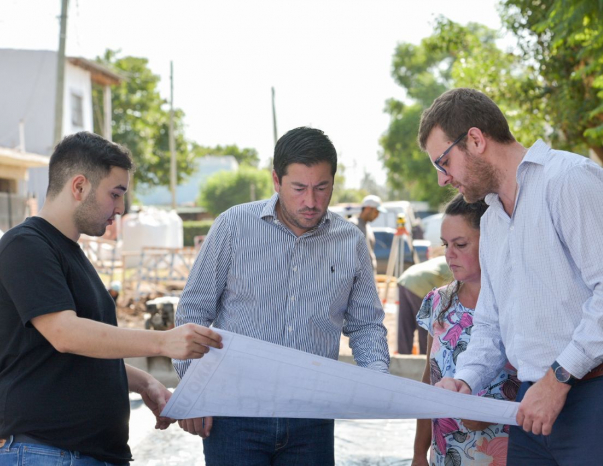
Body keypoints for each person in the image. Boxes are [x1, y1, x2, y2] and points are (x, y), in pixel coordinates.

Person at [418, 88, 603, 464]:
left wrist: (557, 379)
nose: (442, 179)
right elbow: (490, 324)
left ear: (475, 139)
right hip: (534, 402)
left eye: (444, 162)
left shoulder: (571, 180)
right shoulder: (492, 222)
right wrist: (465, 380)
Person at [0, 132, 223, 464]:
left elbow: (77, 354)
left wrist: (144, 382)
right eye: (115, 194)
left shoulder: (70, 253)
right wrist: (162, 343)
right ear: (79, 187)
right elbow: (65, 335)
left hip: (80, 453)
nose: (120, 208)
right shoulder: (25, 246)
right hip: (45, 451)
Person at [174, 127, 390, 465]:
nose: (311, 201)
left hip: (313, 417)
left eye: (322, 188)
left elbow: (365, 325)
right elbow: (193, 312)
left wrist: (376, 379)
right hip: (234, 414)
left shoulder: (351, 242)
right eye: (299, 188)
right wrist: (193, 389)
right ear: (276, 180)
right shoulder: (232, 226)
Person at [412, 194, 519, 466]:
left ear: (492, 240)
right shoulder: (438, 303)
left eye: (460, 244)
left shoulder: (518, 304)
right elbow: (430, 379)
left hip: (506, 452)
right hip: (446, 454)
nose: (449, 254)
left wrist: (484, 412)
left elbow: (534, 381)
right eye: (446, 244)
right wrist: (418, 453)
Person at [396, 256, 453, 354]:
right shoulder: (460, 263)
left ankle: (402, 359)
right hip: (422, 282)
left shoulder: (445, 258)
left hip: (406, 278)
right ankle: (424, 359)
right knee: (426, 326)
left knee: (406, 324)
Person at [349, 194, 386, 275]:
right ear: (368, 208)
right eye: (376, 211)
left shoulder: (367, 227)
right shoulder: (353, 225)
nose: (377, 215)